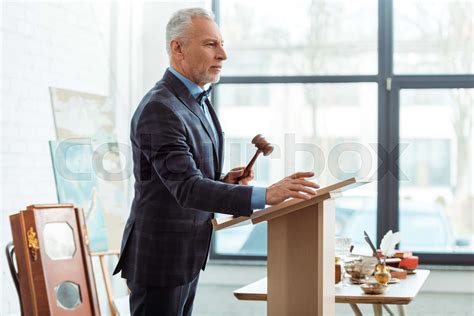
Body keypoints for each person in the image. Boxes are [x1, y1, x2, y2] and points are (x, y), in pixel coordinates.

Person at [113, 7, 320, 315]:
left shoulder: (198, 101)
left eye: (222, 44)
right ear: (178, 48)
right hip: (160, 259)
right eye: (211, 44)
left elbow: (185, 177)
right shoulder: (160, 108)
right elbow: (186, 187)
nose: (223, 54)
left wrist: (224, 182)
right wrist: (267, 195)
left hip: (187, 254)